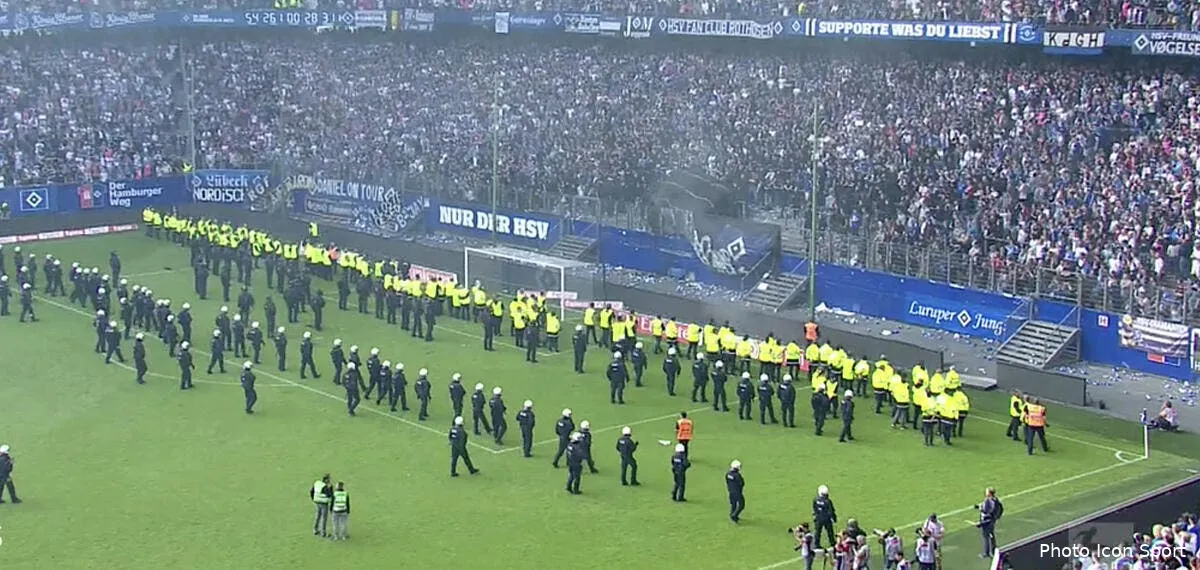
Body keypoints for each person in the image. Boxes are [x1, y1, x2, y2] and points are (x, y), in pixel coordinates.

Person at [976, 487, 1002, 559]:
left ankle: (988, 552)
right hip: (990, 521)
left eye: (987, 492)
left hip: (988, 522)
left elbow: (989, 514)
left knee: (987, 536)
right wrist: (979, 507)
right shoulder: (993, 500)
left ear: (990, 493)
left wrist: (981, 523)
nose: (985, 493)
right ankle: (992, 551)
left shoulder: (991, 501)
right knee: (990, 535)